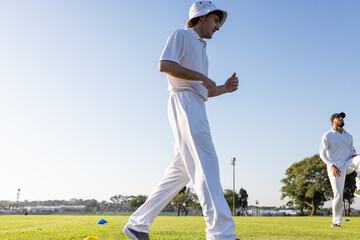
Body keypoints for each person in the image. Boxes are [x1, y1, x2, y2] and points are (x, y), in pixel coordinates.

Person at [123, 1, 239, 239]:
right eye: (216, 20)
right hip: (184, 103)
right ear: (202, 16)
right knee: (206, 164)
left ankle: (137, 224)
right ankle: (221, 233)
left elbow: (204, 90)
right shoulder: (182, 35)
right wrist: (200, 77)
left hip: (195, 104)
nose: (218, 27)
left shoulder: (202, 48)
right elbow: (164, 65)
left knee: (181, 171)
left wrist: (224, 88)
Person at [320, 112, 360, 227]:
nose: (341, 119)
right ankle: (336, 222)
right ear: (332, 121)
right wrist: (331, 165)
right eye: (338, 118)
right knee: (338, 195)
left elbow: (351, 151)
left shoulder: (349, 136)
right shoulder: (327, 136)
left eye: (342, 117)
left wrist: (354, 155)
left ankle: (359, 188)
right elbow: (322, 154)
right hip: (335, 168)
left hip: (347, 163)